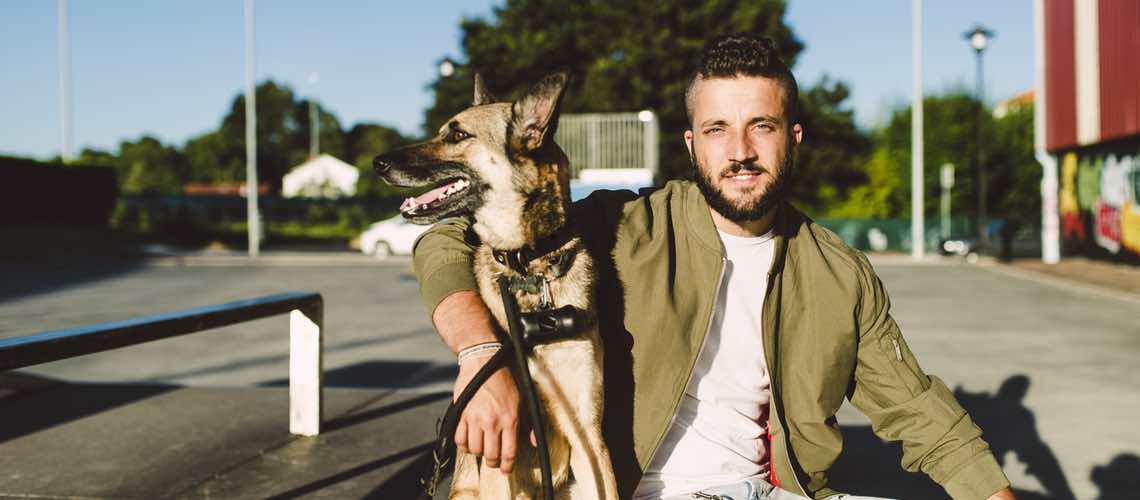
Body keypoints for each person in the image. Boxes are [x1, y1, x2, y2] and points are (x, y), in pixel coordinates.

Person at [412, 33, 1015, 500]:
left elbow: (922, 414)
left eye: (763, 126)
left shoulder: (839, 272)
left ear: (794, 137)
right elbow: (447, 240)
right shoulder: (622, 226)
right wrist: (481, 357)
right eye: (718, 129)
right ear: (691, 143)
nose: (741, 152)